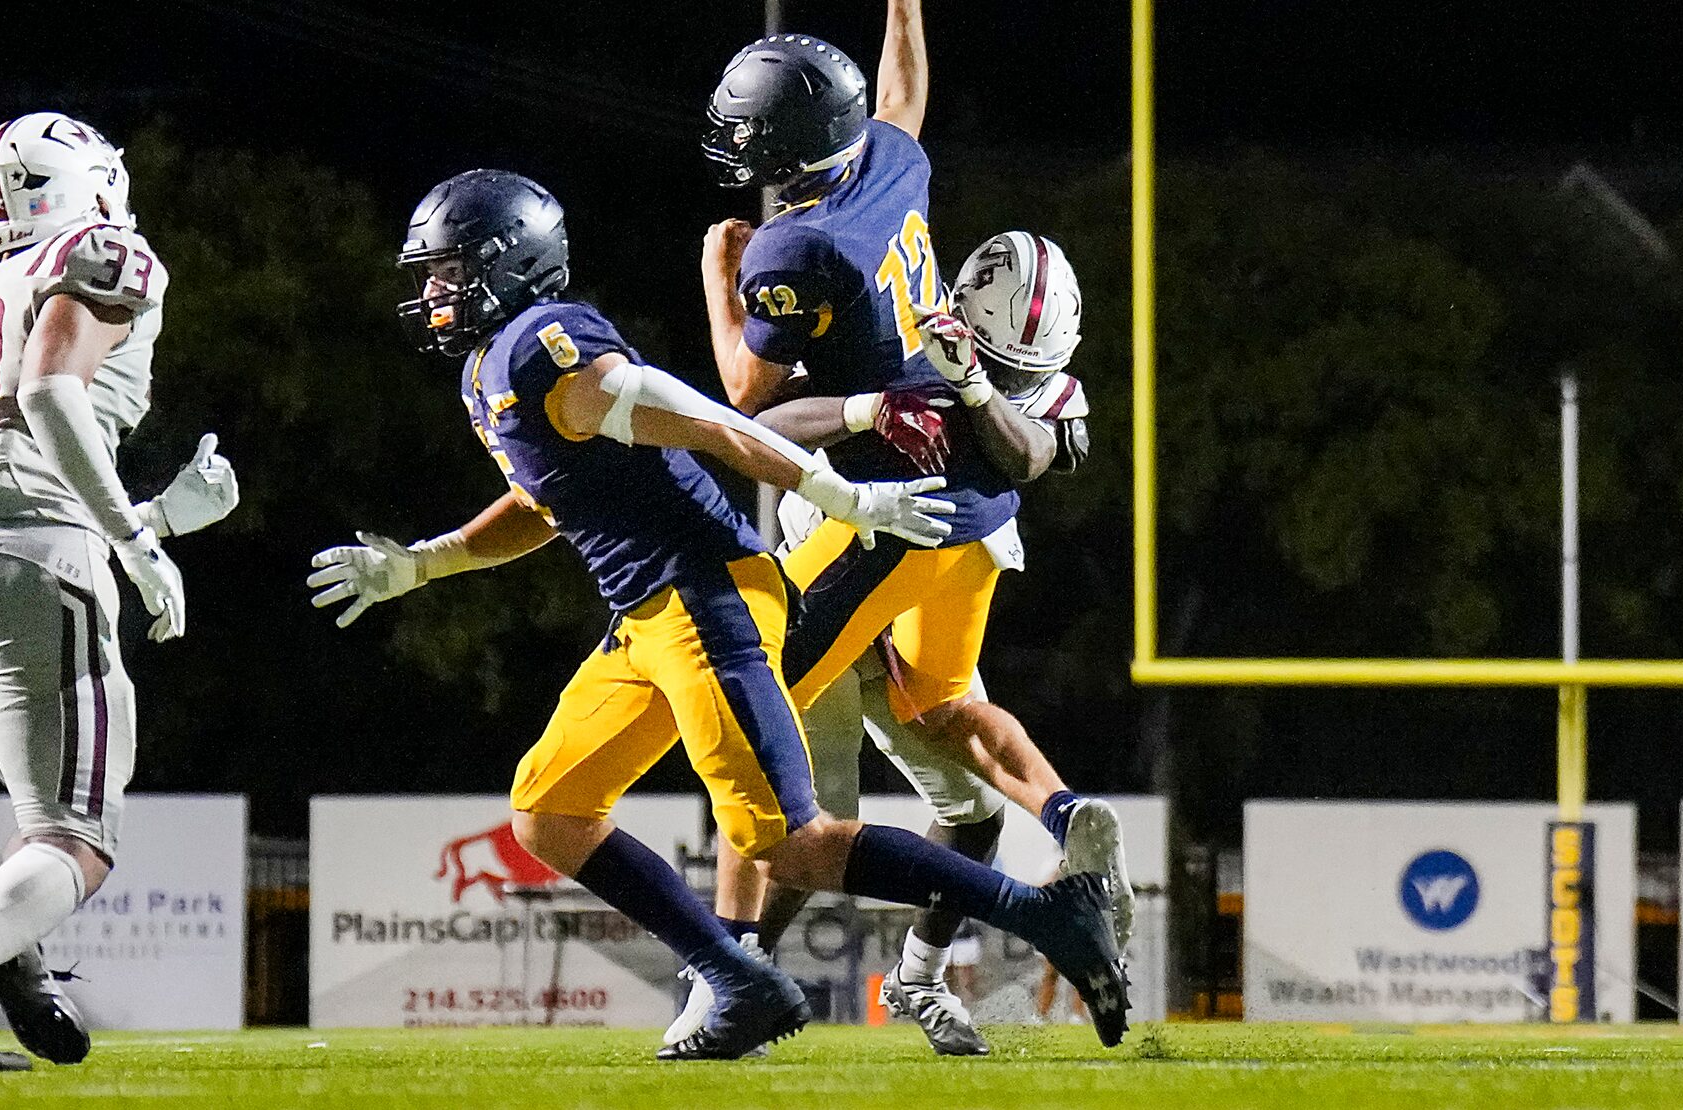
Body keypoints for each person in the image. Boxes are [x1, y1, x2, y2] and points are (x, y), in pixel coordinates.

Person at [308, 171, 1128, 1059]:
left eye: (449, 271)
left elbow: (701, 416)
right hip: (644, 618)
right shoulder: (491, 367)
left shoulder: (545, 347)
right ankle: (738, 978)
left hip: (705, 601)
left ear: (510, 267)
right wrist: (423, 564)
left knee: (793, 843)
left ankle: (1044, 912)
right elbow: (544, 502)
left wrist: (840, 494)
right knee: (549, 809)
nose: (432, 291)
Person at [0, 115, 240, 1071]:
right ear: (85, 184)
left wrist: (154, 516)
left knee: (43, 813)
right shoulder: (103, 249)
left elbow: (1, 459)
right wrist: (134, 541)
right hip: (37, 560)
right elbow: (47, 396)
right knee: (76, 835)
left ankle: (21, 973)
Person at [684, 230, 1098, 1057]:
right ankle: (734, 980)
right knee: (812, 817)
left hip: (919, 607)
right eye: (1002, 363)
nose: (1025, 382)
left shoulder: (1028, 387)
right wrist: (864, 408)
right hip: (837, 572)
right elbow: (761, 418)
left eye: (1029, 371)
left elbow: (1031, 455)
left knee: (973, 809)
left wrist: (977, 386)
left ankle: (917, 978)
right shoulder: (898, 340)